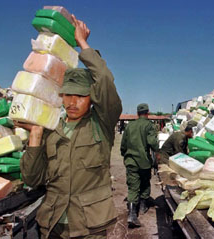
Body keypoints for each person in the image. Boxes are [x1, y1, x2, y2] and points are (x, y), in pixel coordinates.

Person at [19, 14, 122, 239]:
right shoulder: (51, 128)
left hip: (88, 227)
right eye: (67, 95)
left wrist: (83, 44)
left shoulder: (101, 123)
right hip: (52, 225)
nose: (71, 102)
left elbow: (104, 80)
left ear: (91, 98)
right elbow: (31, 179)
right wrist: (35, 135)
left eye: (80, 96)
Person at [120, 103, 159, 228]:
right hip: (144, 162)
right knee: (145, 183)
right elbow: (152, 143)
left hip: (131, 161)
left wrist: (124, 154)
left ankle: (132, 214)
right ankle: (142, 206)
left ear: (137, 113)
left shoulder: (130, 126)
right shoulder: (149, 125)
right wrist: (156, 148)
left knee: (132, 187)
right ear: (147, 112)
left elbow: (123, 145)